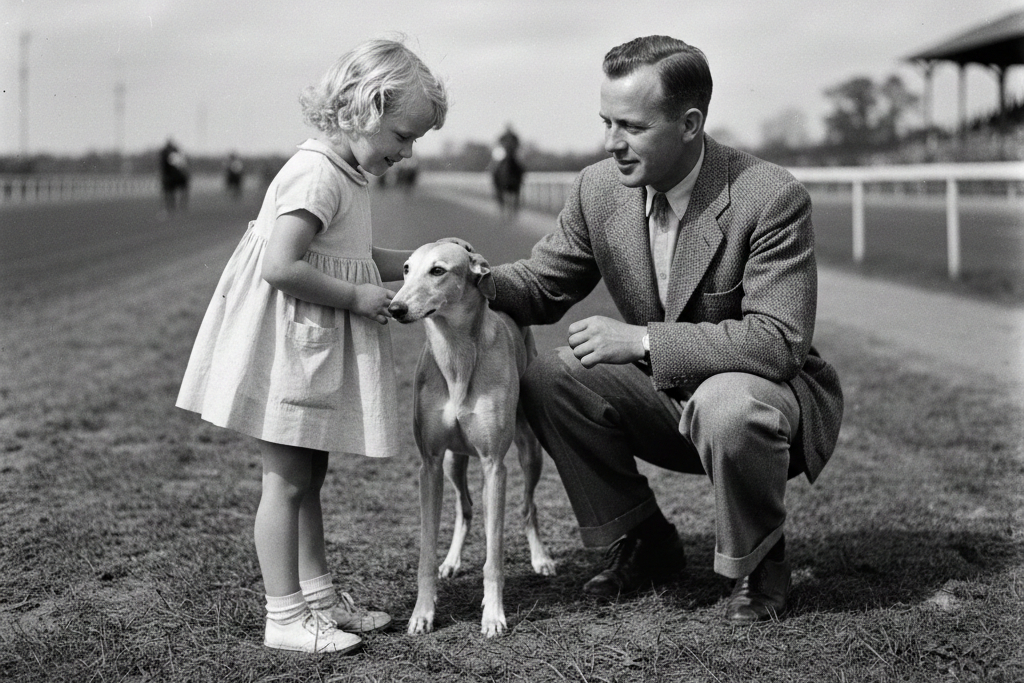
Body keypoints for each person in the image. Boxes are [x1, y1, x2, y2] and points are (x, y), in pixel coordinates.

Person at [490, 35, 843, 624]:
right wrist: (437, 270)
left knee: (727, 404)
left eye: (630, 126)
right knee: (550, 375)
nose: (610, 143)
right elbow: (540, 285)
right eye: (606, 122)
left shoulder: (771, 196)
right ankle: (644, 539)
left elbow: (779, 342)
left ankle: (761, 560)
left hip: (759, 400)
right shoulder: (598, 188)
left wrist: (643, 341)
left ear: (689, 123)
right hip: (668, 397)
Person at [176, 38, 448, 653]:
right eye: (402, 137)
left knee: (307, 475)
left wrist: (420, 262)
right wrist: (356, 300)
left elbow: (350, 256)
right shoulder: (316, 172)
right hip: (289, 350)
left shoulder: (349, 171)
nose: (406, 154)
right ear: (367, 109)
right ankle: (284, 616)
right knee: (286, 483)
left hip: (309, 348)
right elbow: (280, 264)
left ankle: (317, 597)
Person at [159, 137, 190, 216]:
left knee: (169, 193)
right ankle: (179, 207)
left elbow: (165, 166)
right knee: (180, 192)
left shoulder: (167, 153)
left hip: (172, 176)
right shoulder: (177, 152)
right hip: (179, 175)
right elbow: (183, 165)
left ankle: (171, 208)